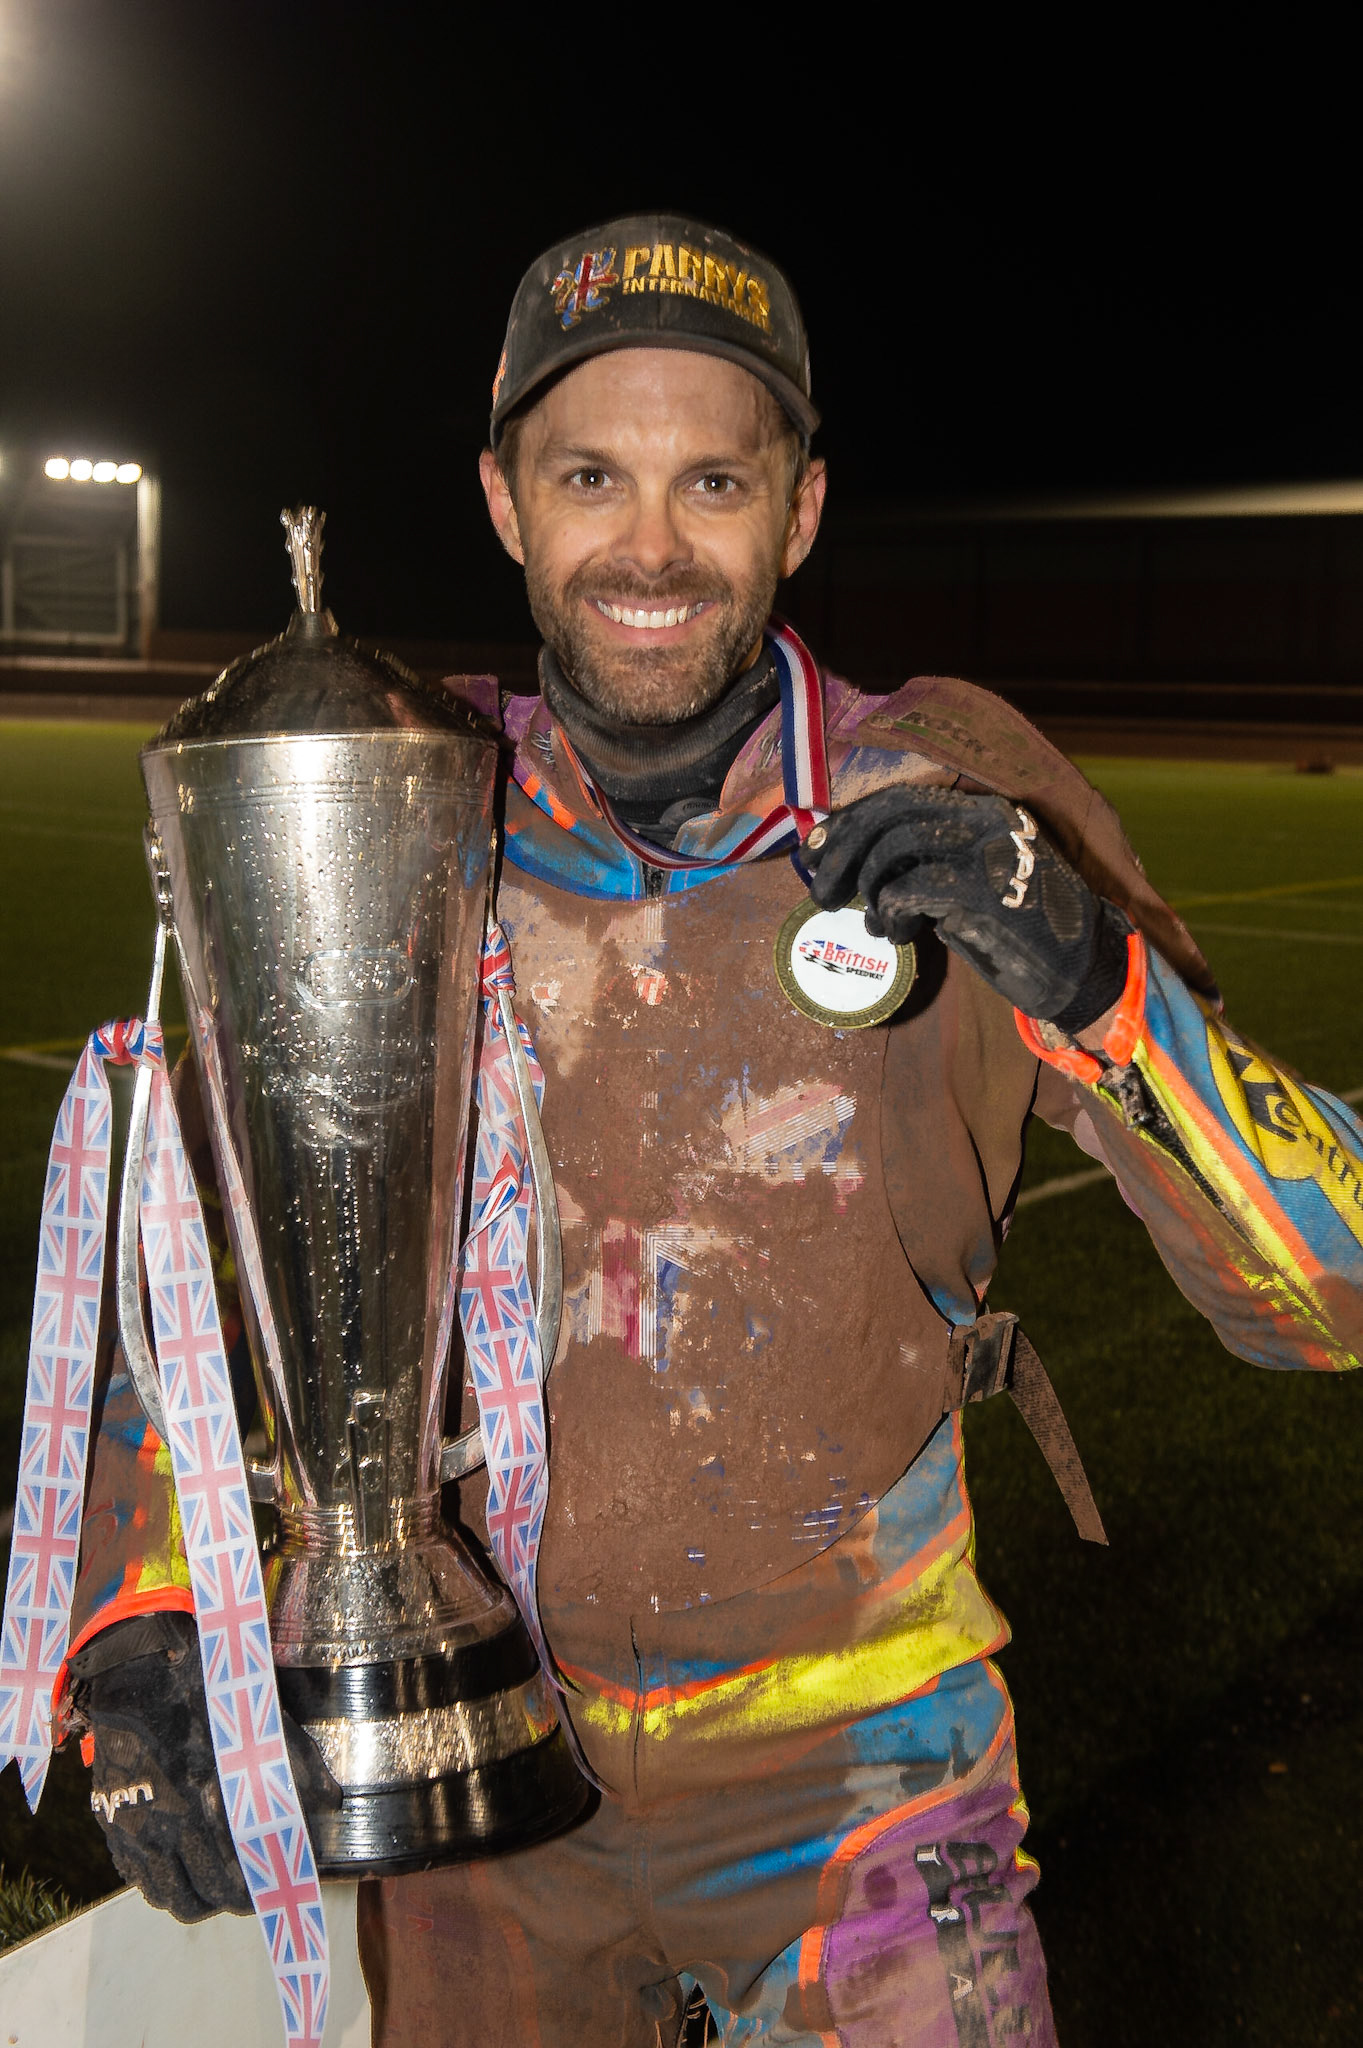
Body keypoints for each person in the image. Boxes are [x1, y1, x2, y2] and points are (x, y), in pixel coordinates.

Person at [62, 214, 1363, 2046]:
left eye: (716, 480)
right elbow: (193, 1257)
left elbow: (1327, 1294)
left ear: (803, 509)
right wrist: (140, 1618)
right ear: (508, 502)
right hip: (482, 1772)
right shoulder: (390, 810)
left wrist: (1097, 982)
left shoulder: (960, 795)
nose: (653, 546)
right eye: (593, 476)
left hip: (869, 1784)